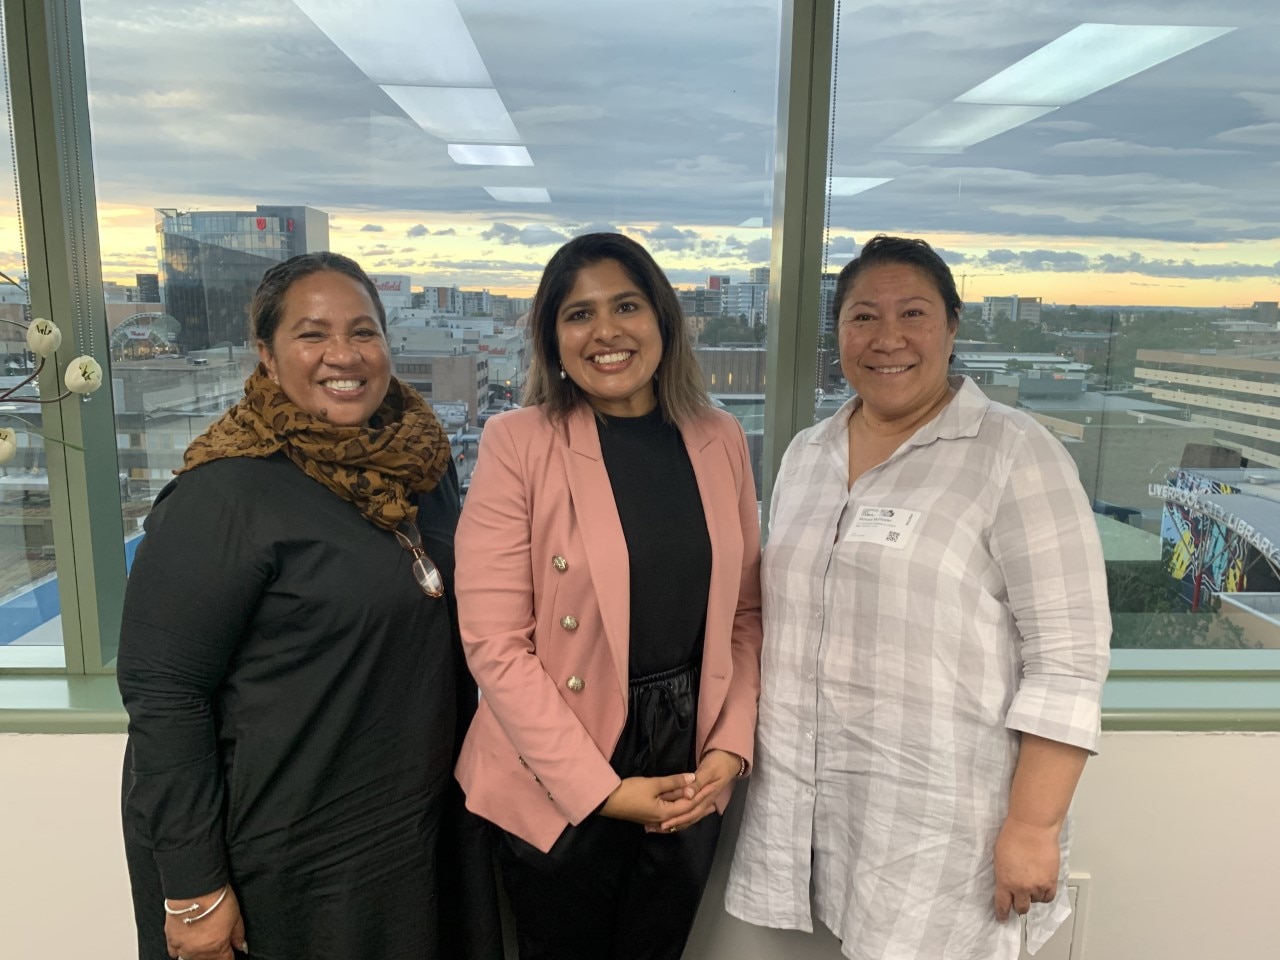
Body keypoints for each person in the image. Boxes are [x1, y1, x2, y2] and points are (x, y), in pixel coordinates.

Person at [725, 235, 1111, 959]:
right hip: (826, 808)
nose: (888, 338)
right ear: (837, 334)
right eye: (863, 317)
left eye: (914, 314)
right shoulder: (807, 454)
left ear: (953, 326)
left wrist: (1032, 829)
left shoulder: (1014, 453)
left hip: (946, 820)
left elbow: (1068, 661)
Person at [117, 252, 500, 960]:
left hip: (411, 835)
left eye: (364, 331)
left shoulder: (422, 465)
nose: (344, 355)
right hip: (282, 857)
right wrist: (194, 890)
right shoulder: (222, 494)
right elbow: (164, 697)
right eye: (312, 334)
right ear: (265, 355)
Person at [454, 232, 763, 960]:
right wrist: (600, 789)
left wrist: (731, 747)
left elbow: (746, 616)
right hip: (560, 747)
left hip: (689, 750)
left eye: (625, 305)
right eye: (578, 314)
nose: (606, 332)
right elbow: (494, 645)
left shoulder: (719, 438)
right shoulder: (517, 441)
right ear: (552, 340)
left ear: (662, 318)